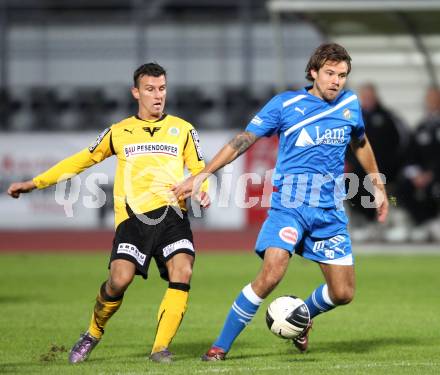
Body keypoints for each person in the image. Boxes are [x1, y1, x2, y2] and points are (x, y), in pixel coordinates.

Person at [172, 43, 389, 361]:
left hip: (328, 212)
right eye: (330, 73)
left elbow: (360, 141)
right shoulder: (286, 104)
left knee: (343, 293)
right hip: (290, 206)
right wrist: (204, 173)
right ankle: (220, 347)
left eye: (342, 75)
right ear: (313, 72)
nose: (336, 81)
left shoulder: (350, 104)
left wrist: (376, 180)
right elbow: (243, 140)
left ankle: (303, 315)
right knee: (272, 272)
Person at [7, 62, 210, 364]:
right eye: (150, 89)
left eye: (162, 89)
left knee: (183, 270)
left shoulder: (183, 130)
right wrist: (35, 183)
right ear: (136, 92)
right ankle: (92, 332)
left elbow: (199, 169)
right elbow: (80, 161)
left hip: (172, 217)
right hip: (133, 219)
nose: (158, 96)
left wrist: (200, 187)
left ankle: (160, 349)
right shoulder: (119, 132)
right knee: (119, 280)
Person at [345, 83, 409, 239]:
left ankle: (387, 222)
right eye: (364, 97)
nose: (367, 100)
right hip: (359, 173)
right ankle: (365, 222)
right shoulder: (353, 119)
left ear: (376, 96)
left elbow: (401, 144)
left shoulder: (388, 118)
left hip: (384, 171)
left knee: (388, 193)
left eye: (369, 96)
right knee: (351, 188)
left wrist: (390, 167)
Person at [398, 86, 440, 239]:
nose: (432, 102)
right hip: (422, 175)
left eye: (435, 98)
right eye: (430, 99)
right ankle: (422, 223)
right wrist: (415, 174)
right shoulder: (422, 126)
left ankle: (434, 220)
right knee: (402, 188)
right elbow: (411, 155)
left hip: (435, 175)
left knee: (433, 189)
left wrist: (432, 173)